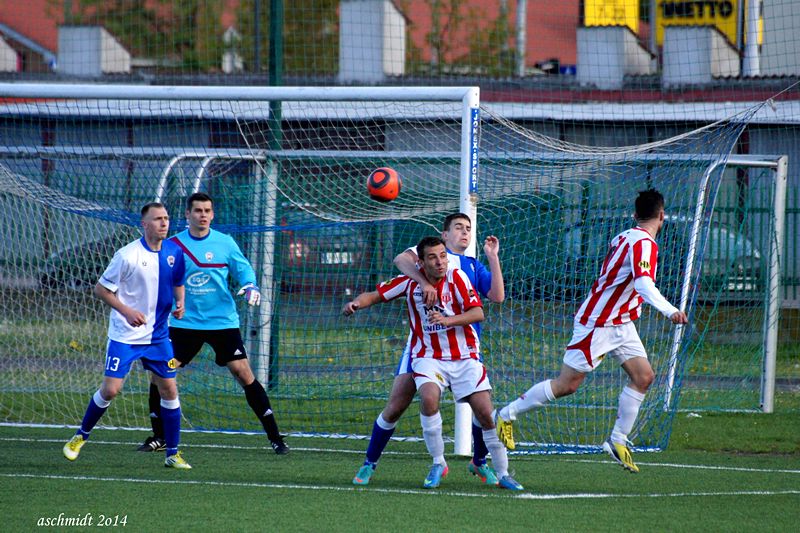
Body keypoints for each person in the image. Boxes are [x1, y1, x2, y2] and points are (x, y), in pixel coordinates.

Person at [495, 188, 689, 473]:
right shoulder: (644, 244)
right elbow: (643, 283)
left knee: (644, 376)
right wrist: (669, 310)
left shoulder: (623, 236)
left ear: (635, 215)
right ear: (662, 215)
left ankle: (618, 440)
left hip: (621, 322)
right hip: (598, 323)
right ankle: (506, 415)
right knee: (567, 385)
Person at [344, 236, 523, 490]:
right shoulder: (409, 282)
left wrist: (448, 320)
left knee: (485, 412)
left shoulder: (458, 277)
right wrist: (355, 304)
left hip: (464, 356)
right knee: (427, 399)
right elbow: (374, 295)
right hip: (428, 356)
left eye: (442, 256)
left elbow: (479, 313)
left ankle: (503, 472)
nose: (440, 262)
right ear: (421, 262)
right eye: (432, 257)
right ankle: (438, 462)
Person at [137, 192, 288, 455]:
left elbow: (244, 271)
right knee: (162, 372)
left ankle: (275, 437)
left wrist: (250, 286)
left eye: (207, 210)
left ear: (213, 214)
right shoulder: (172, 246)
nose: (203, 215)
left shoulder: (225, 243)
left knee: (243, 373)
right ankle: (159, 436)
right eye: (197, 211)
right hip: (183, 325)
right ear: (187, 214)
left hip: (222, 323)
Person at [63, 202, 191, 469]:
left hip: (158, 336)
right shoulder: (127, 255)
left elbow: (178, 281)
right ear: (144, 224)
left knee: (169, 388)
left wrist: (181, 303)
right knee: (111, 390)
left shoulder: (174, 252)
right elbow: (101, 290)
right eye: (157, 219)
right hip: (126, 335)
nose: (164, 223)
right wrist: (127, 310)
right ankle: (80, 436)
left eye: (166, 218)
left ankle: (173, 453)